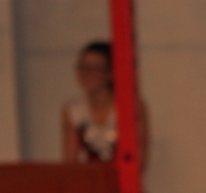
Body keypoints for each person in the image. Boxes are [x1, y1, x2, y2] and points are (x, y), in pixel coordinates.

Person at [61, 41, 149, 169]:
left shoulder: (131, 106)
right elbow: (70, 162)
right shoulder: (73, 110)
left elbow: (138, 160)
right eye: (83, 66)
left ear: (110, 73)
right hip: (89, 178)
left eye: (94, 68)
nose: (86, 73)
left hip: (123, 179)